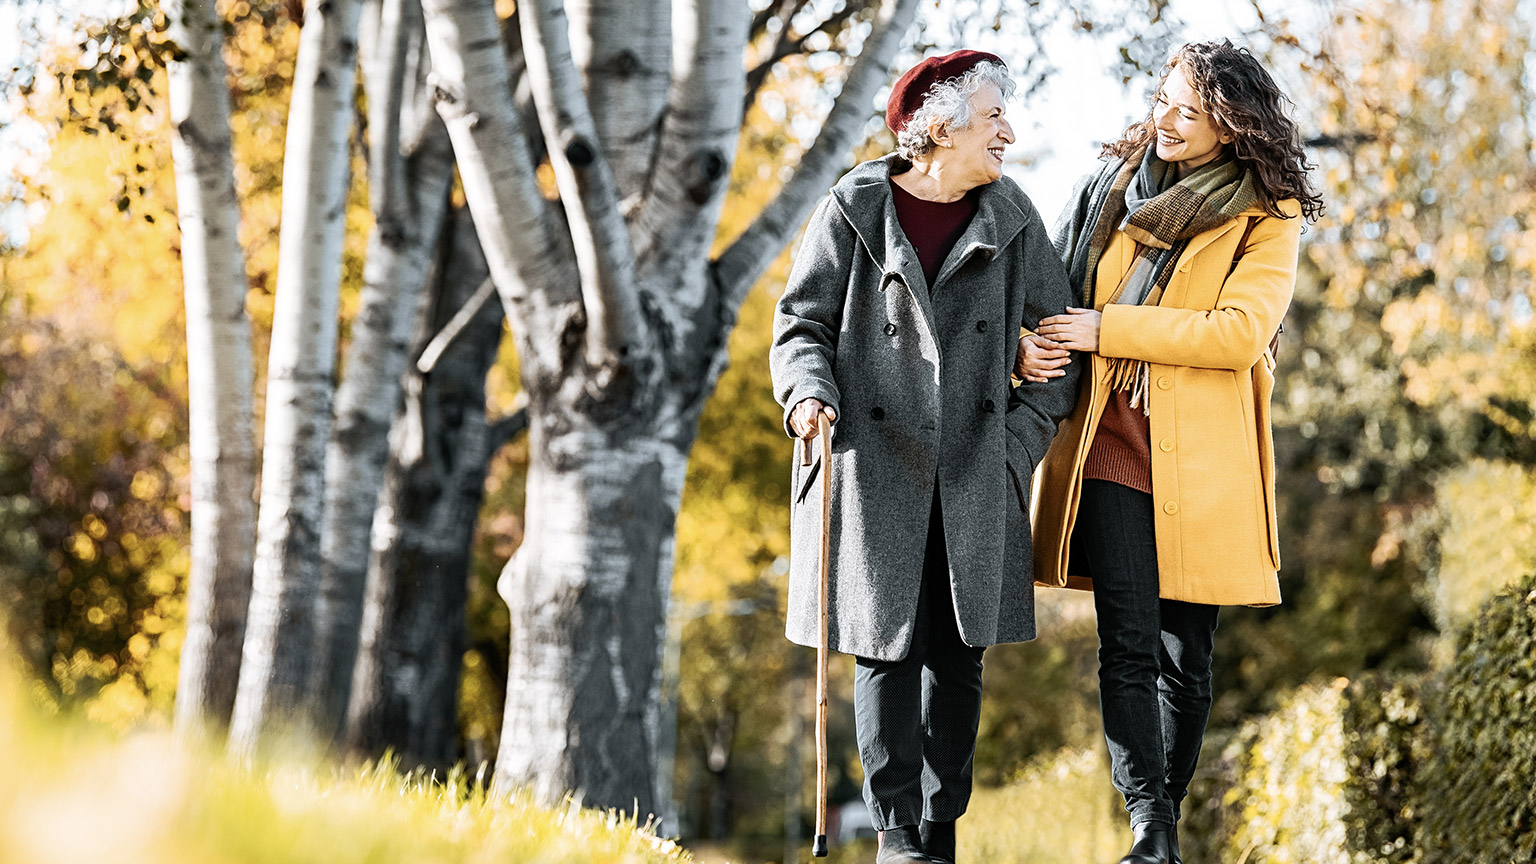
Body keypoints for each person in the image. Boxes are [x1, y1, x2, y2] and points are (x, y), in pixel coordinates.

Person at [770, 50, 1080, 864]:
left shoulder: (1011, 214)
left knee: (958, 657)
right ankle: (897, 833)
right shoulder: (854, 207)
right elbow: (800, 325)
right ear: (938, 130)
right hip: (873, 464)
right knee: (885, 650)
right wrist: (807, 394)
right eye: (993, 119)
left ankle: (942, 829)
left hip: (977, 466)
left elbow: (1062, 346)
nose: (1009, 133)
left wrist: (1016, 448)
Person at [1024, 39, 1325, 864]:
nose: (1165, 118)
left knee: (1186, 658)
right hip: (1110, 438)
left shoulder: (1267, 216)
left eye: (1189, 112)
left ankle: (1163, 818)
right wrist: (1036, 343)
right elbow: (1053, 287)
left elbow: (1237, 333)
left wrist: (1111, 329)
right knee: (1126, 641)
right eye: (1163, 98)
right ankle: (1149, 825)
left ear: (1230, 128)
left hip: (1204, 459)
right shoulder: (1112, 188)